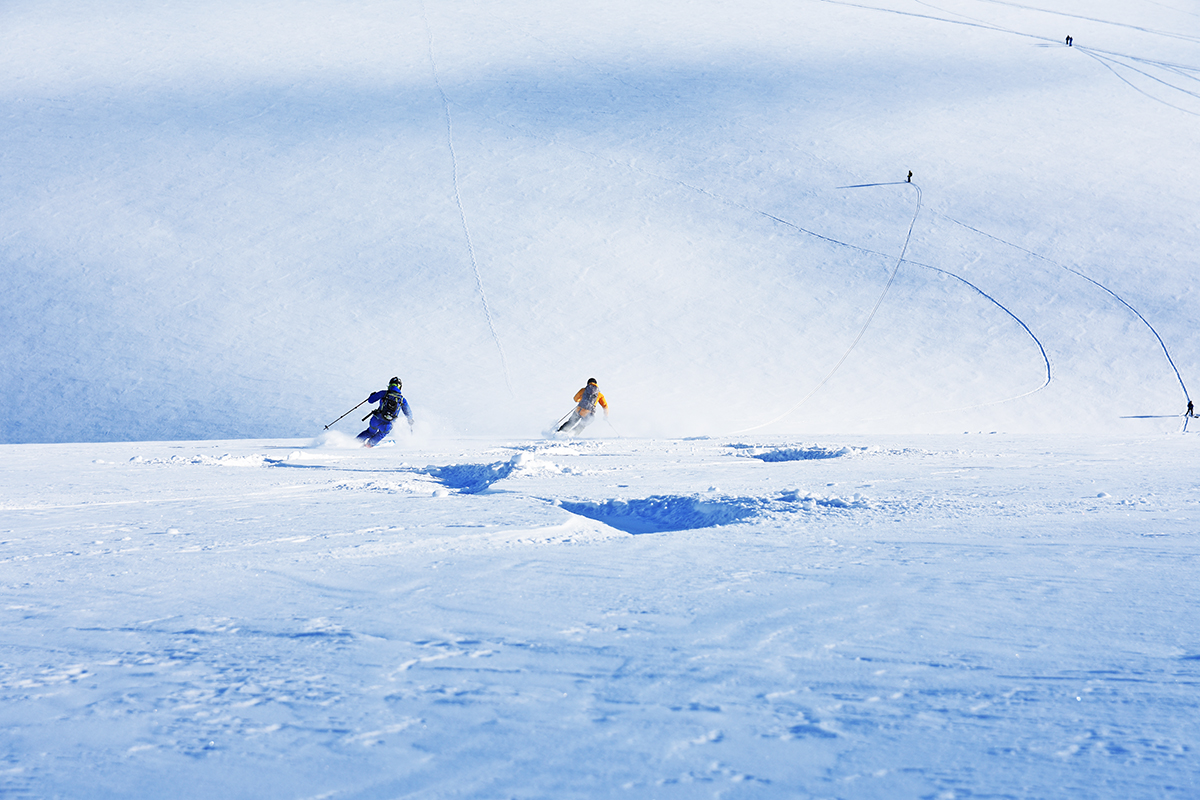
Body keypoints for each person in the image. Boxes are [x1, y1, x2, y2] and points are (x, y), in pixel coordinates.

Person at [357, 377, 413, 447]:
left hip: (376, 419)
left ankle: (354, 443)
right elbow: (408, 412)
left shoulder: (384, 393)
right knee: (381, 434)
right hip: (388, 424)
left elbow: (370, 400)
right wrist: (410, 420)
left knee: (369, 432)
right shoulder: (402, 399)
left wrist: (372, 395)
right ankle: (368, 445)